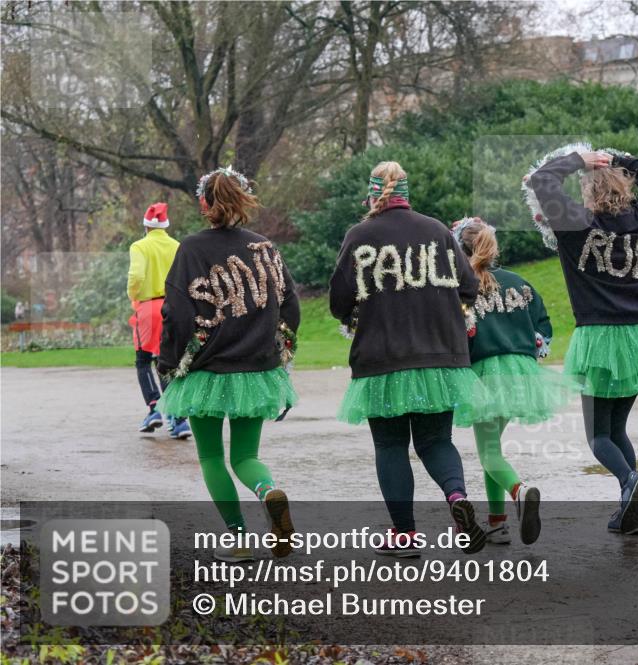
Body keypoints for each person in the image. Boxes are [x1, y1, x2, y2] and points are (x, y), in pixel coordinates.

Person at [329, 161, 486, 558]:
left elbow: (338, 301)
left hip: (382, 358)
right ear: (407, 193)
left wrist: (361, 311)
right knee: (436, 441)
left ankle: (405, 535)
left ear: (372, 195)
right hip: (440, 356)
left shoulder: (359, 236)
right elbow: (469, 287)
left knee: (390, 445)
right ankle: (456, 497)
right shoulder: (437, 231)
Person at [527, 147, 638, 535]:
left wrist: (581, 159)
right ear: (625, 187)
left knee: (598, 436)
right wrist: (617, 158)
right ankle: (630, 514)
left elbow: (542, 179)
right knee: (617, 430)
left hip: (597, 337)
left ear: (589, 193)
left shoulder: (576, 224)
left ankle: (630, 481)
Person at [157, 166, 300, 563]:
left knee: (211, 457)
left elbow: (177, 314)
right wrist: (279, 348)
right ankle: (268, 492)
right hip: (256, 369)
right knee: (245, 457)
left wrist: (169, 362)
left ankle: (240, 539)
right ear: (242, 200)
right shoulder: (264, 248)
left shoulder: (191, 249)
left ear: (204, 205)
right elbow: (290, 305)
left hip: (206, 370)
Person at [452, 217, 577, 545]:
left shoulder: (460, 287)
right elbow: (542, 325)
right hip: (520, 372)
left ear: (460, 250)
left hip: (483, 373)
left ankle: (520, 491)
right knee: (492, 449)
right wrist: (534, 344)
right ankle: (497, 522)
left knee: (489, 453)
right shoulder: (519, 283)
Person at [127, 202, 190, 439]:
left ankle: (154, 408)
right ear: (165, 226)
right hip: (175, 307)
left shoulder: (139, 246)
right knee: (168, 361)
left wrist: (133, 295)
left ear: (146, 226)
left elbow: (136, 275)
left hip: (149, 307)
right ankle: (178, 419)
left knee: (144, 360)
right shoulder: (177, 246)